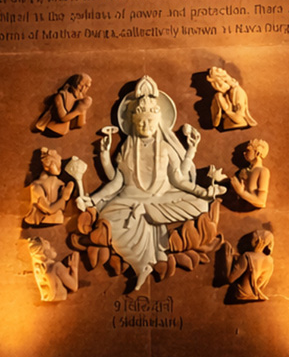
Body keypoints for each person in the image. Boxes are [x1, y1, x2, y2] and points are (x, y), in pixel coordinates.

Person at [78, 78, 224, 288]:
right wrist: (94, 194)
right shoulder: (128, 147)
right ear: (132, 124)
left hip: (161, 197)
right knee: (107, 215)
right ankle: (141, 264)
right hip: (130, 198)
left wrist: (203, 192)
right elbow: (117, 180)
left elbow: (179, 180)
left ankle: (146, 211)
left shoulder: (165, 148)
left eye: (150, 122)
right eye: (141, 122)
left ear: (159, 123)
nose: (146, 126)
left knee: (200, 205)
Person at [218, 230, 274, 302]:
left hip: (241, 293)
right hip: (255, 295)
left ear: (257, 241)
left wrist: (227, 259)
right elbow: (261, 283)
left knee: (227, 248)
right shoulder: (270, 261)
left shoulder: (247, 256)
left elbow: (230, 279)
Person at [24, 148, 76, 226]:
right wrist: (63, 198)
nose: (57, 168)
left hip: (56, 214)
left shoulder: (59, 183)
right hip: (45, 213)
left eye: (58, 164)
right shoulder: (36, 185)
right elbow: (49, 209)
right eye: (53, 163)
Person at [227, 139, 271, 209]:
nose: (244, 153)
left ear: (257, 153)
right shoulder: (243, 171)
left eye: (248, 150)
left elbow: (261, 202)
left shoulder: (263, 171)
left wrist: (241, 192)